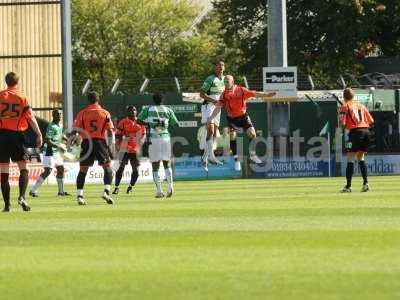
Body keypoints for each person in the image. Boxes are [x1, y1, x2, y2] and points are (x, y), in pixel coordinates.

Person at [208, 75, 276, 165]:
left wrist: (267, 95)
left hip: (243, 116)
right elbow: (218, 107)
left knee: (252, 134)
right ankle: (236, 159)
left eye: (227, 81)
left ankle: (252, 155)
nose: (226, 83)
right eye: (224, 81)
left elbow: (255, 94)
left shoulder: (241, 90)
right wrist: (211, 117)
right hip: (232, 119)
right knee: (232, 135)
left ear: (233, 81)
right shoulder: (224, 94)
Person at [0, 72, 43, 212]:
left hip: (2, 136)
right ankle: (22, 197)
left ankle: (7, 205)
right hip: (17, 136)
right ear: (17, 82)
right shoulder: (22, 97)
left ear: (6, 82)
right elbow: (31, 118)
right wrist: (39, 134)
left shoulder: (0, 95)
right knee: (23, 168)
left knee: (4, 172)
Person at [71, 91, 115, 205]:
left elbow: (75, 131)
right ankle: (106, 191)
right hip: (100, 141)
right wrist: (111, 145)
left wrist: (73, 144)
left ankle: (80, 196)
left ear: (88, 100)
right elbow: (110, 131)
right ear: (98, 99)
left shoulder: (82, 113)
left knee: (83, 170)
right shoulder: (105, 113)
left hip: (86, 142)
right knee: (108, 167)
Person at [137, 93, 178, 198]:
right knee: (167, 164)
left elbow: (138, 120)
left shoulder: (148, 109)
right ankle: (170, 187)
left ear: (153, 100)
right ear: (162, 100)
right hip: (165, 137)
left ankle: (159, 191)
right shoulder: (168, 110)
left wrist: (148, 124)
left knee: (155, 166)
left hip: (154, 139)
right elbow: (175, 123)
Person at [29, 109, 71, 197]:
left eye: (60, 114)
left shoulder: (60, 125)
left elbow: (60, 135)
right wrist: (59, 146)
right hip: (49, 151)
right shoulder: (50, 126)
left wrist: (67, 139)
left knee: (61, 169)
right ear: (53, 115)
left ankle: (61, 191)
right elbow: (47, 140)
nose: (60, 116)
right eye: (57, 114)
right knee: (48, 171)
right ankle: (33, 191)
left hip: (56, 152)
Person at [339, 88, 374, 192]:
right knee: (361, 157)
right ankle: (365, 183)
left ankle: (348, 186)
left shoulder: (344, 106)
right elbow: (371, 120)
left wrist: (344, 130)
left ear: (344, 97)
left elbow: (342, 123)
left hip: (355, 132)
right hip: (366, 131)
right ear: (353, 96)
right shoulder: (361, 105)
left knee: (350, 158)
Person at [112, 105, 146, 195]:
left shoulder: (141, 122)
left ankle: (130, 187)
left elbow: (143, 135)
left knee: (136, 170)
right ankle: (116, 187)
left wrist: (141, 142)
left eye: (134, 110)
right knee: (120, 168)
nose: (133, 111)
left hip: (135, 149)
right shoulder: (123, 122)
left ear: (136, 112)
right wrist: (119, 142)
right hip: (124, 148)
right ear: (127, 112)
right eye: (130, 110)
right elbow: (117, 134)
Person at [200, 60, 226, 168]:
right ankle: (211, 156)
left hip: (218, 108)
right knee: (210, 130)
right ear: (215, 67)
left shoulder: (225, 80)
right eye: (218, 65)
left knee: (215, 133)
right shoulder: (210, 79)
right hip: (209, 106)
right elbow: (201, 94)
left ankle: (205, 157)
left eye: (222, 65)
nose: (220, 67)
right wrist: (214, 101)